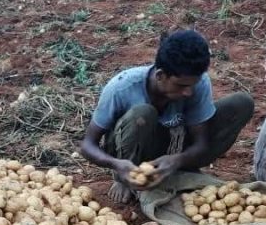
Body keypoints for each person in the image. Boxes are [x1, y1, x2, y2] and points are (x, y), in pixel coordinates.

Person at [79, 29, 255, 203]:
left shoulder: (196, 84)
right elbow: (87, 145)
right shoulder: (121, 88)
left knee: (241, 103)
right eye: (181, 85)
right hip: (133, 150)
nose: (188, 92)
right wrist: (117, 165)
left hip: (175, 146)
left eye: (193, 84)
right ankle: (128, 179)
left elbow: (201, 143)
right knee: (142, 114)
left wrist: (177, 160)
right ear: (160, 75)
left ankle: (182, 170)